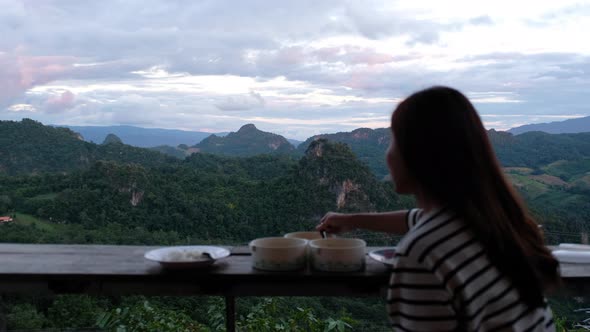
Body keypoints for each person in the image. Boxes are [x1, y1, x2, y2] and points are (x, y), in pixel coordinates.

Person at [316, 86, 560, 331]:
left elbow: (425, 231)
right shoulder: (495, 220)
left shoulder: (423, 252)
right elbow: (418, 219)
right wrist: (353, 219)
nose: (386, 153)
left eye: (394, 141)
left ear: (420, 155)